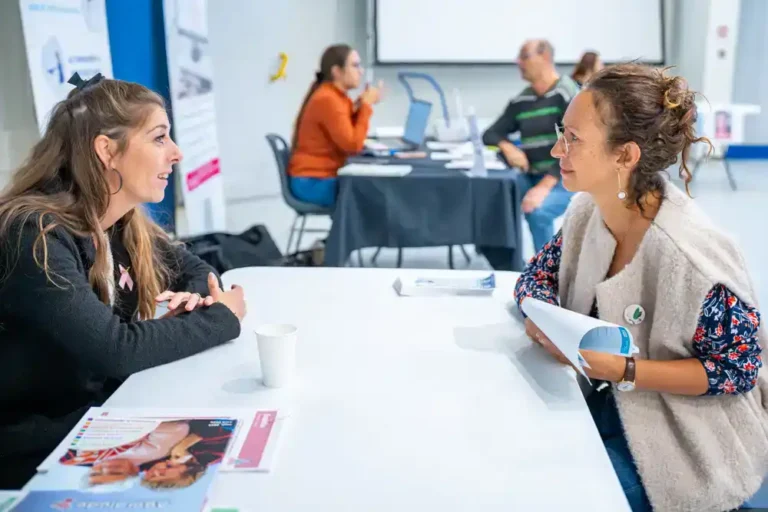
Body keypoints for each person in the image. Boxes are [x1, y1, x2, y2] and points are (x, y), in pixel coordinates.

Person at [514, 63, 768, 511]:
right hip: (604, 402)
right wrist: (543, 319)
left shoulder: (691, 256)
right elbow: (536, 276)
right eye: (561, 133)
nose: (557, 150)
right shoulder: (587, 212)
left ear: (625, 156)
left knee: (555, 494)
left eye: (573, 138)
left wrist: (623, 370)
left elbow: (738, 369)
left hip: (684, 442)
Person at [0, 74, 247, 488]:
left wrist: (196, 299)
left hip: (94, 423)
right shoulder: (33, 236)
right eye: (159, 138)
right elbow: (116, 350)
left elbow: (197, 271)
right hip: (32, 456)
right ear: (107, 151)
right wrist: (220, 317)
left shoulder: (119, 222)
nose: (176, 153)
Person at [480, 39, 580, 268]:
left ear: (545, 57)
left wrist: (543, 187)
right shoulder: (522, 100)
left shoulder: (568, 94)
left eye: (524, 56)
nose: (518, 62)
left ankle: (549, 274)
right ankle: (511, 269)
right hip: (531, 175)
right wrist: (508, 147)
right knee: (493, 201)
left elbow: (575, 144)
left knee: (537, 211)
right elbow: (491, 133)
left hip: (564, 176)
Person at [288, 44, 383, 207]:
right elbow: (352, 145)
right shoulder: (328, 99)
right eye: (355, 65)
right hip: (312, 182)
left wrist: (361, 105)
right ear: (337, 71)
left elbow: (347, 127)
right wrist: (366, 106)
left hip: (320, 177)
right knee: (375, 195)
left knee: (375, 191)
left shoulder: (337, 96)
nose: (361, 71)